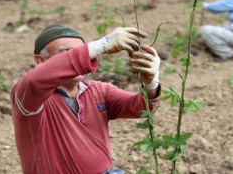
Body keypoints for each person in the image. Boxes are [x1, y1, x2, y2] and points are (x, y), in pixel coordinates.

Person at [10, 25, 161, 174]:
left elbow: (142, 109)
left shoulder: (99, 90)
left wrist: (151, 83)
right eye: (65, 53)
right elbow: (33, 80)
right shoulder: (30, 97)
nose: (80, 58)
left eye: (80, 51)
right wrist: (100, 44)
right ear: (41, 61)